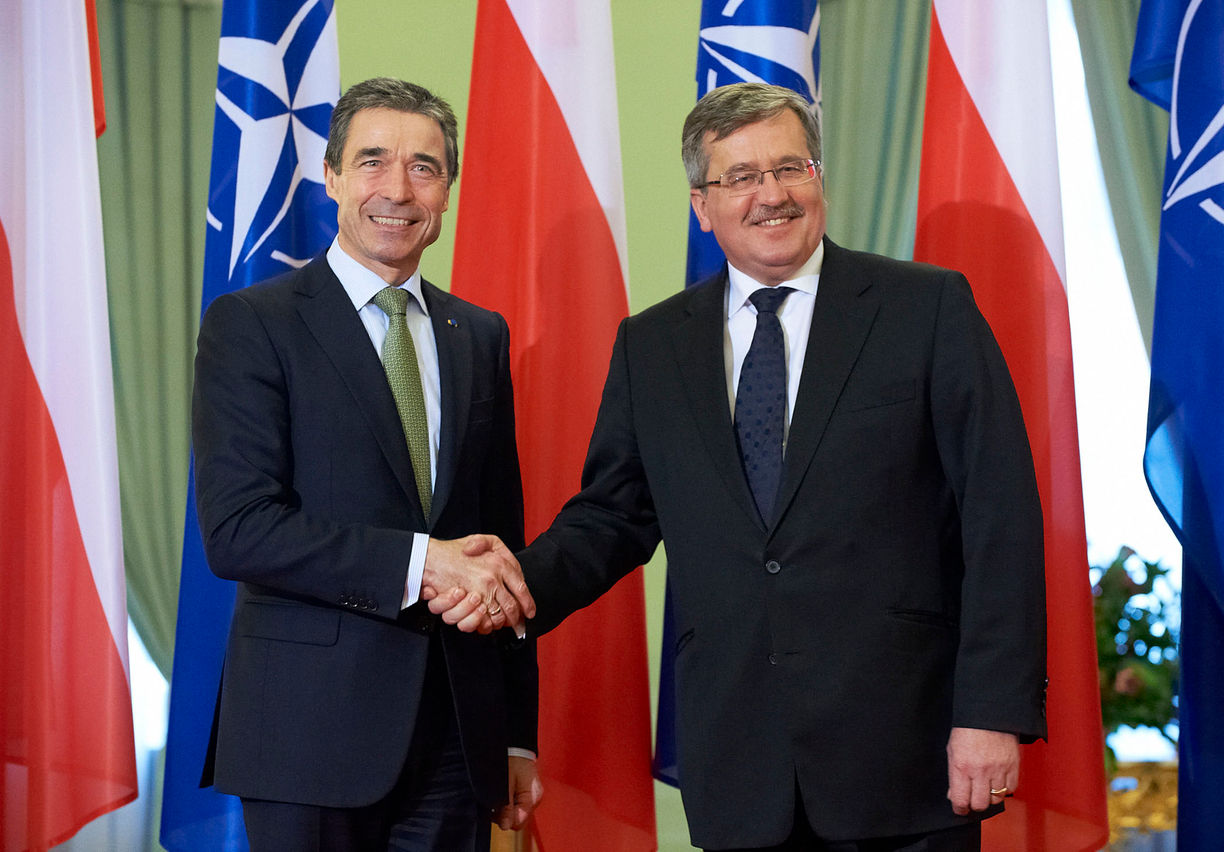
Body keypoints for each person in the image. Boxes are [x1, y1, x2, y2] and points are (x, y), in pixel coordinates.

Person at [435, 82, 1048, 851]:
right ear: (703, 203)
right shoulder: (653, 346)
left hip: (905, 752)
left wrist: (991, 711)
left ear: (819, 177)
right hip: (739, 764)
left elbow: (1002, 515)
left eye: (791, 167)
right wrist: (513, 585)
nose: (772, 195)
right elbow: (613, 516)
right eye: (742, 177)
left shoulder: (924, 309)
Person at [192, 77, 540, 851]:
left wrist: (516, 733)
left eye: (424, 167)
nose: (398, 188)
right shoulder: (254, 324)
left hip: (456, 737)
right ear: (333, 177)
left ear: (447, 190)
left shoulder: (477, 335)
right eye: (374, 161)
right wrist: (424, 564)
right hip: (306, 738)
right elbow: (239, 530)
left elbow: (496, 548)